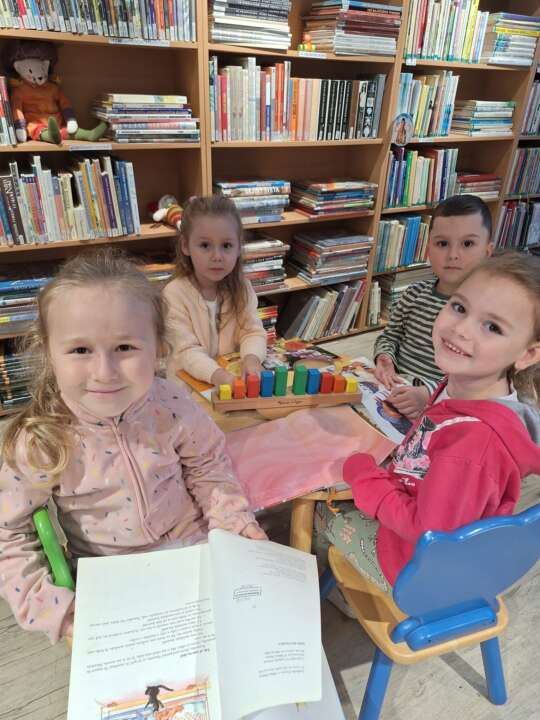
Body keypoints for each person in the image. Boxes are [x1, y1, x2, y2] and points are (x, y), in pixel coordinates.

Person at [0, 249, 265, 644]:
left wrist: (234, 523)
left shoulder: (172, 402)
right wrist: (55, 610)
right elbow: (8, 533)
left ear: (159, 347)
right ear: (48, 351)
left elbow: (209, 466)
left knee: (248, 639)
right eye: (80, 350)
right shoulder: (41, 438)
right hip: (111, 574)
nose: (104, 373)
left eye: (125, 348)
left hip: (194, 548)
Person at [316, 251, 540, 600]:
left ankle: (351, 593)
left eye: (492, 327)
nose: (460, 329)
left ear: (527, 355)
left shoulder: (473, 446)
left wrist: (367, 481)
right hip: (425, 518)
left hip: (412, 568)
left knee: (321, 510)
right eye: (459, 307)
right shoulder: (463, 385)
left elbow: (428, 532)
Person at [373, 194, 494, 419]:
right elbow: (390, 336)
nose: (453, 255)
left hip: (445, 406)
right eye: (442, 243)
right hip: (394, 390)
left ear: (487, 252)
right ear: (428, 250)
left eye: (467, 244)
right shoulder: (414, 293)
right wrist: (385, 357)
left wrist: (428, 393)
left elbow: (478, 376)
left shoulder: (487, 316)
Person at [163, 195, 267, 387]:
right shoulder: (174, 294)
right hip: (188, 385)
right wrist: (218, 376)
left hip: (229, 380)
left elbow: (252, 332)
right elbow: (186, 352)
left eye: (226, 246)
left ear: (238, 247)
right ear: (185, 246)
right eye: (205, 245)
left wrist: (252, 358)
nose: (217, 256)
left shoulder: (242, 287)